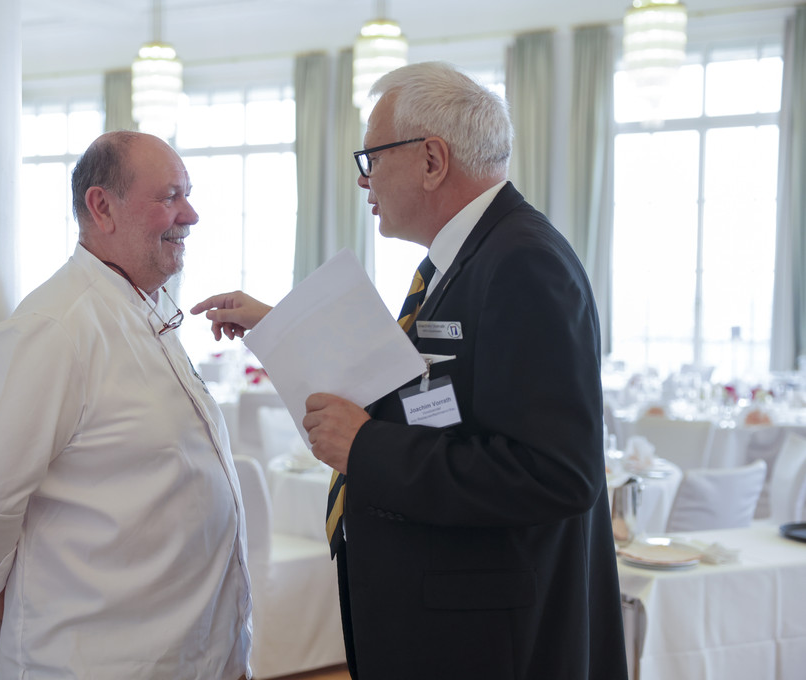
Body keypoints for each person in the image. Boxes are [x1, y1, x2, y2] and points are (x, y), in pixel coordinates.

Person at [191, 62, 627, 679]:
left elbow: (555, 473)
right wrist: (280, 323)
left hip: (487, 637)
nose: (362, 179)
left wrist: (366, 448)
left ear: (431, 160)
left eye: (372, 158)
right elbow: (419, 385)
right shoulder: (471, 257)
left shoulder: (523, 263)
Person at [0, 130, 252, 680]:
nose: (191, 214)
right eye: (170, 196)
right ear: (102, 207)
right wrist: (18, 606)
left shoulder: (145, 308)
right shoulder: (54, 328)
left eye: (188, 194)